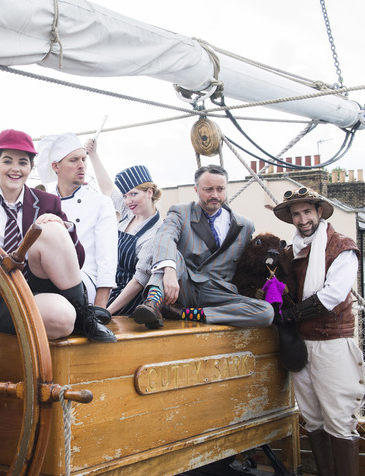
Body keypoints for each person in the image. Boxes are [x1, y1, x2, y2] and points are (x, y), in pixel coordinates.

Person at [0, 129, 116, 343]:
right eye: (8, 161)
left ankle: (84, 316)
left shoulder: (46, 202)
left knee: (50, 228)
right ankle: (78, 317)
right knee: (63, 317)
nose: (15, 169)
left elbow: (77, 261)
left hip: (32, 280)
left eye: (23, 163)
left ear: (31, 167)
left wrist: (65, 228)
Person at [273, 186, 364, 476]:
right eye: (296, 214)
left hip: (332, 342)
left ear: (319, 211)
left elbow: (331, 296)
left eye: (307, 212)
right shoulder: (289, 253)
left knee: (339, 418)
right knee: (312, 418)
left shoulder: (342, 246)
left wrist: (291, 314)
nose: (302, 220)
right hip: (301, 345)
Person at [133, 164, 274, 328]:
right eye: (208, 189)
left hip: (218, 293)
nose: (215, 195)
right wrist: (170, 271)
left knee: (265, 312)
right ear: (196, 190)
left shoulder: (245, 225)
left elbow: (250, 261)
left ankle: (182, 313)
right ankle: (153, 302)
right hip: (182, 286)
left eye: (220, 189)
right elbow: (164, 237)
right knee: (171, 256)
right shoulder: (180, 212)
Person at [36, 133, 118, 309]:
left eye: (83, 159)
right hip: (45, 284)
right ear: (56, 166)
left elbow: (107, 260)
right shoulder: (42, 203)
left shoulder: (101, 203)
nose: (82, 166)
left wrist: (100, 309)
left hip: (84, 284)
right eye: (74, 160)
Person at [85, 138, 161, 315]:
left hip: (125, 299)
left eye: (134, 194)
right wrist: (94, 155)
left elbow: (139, 281)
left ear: (149, 192)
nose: (128, 201)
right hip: (107, 284)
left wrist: (107, 311)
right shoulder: (129, 214)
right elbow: (107, 189)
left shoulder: (155, 232)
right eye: (125, 195)